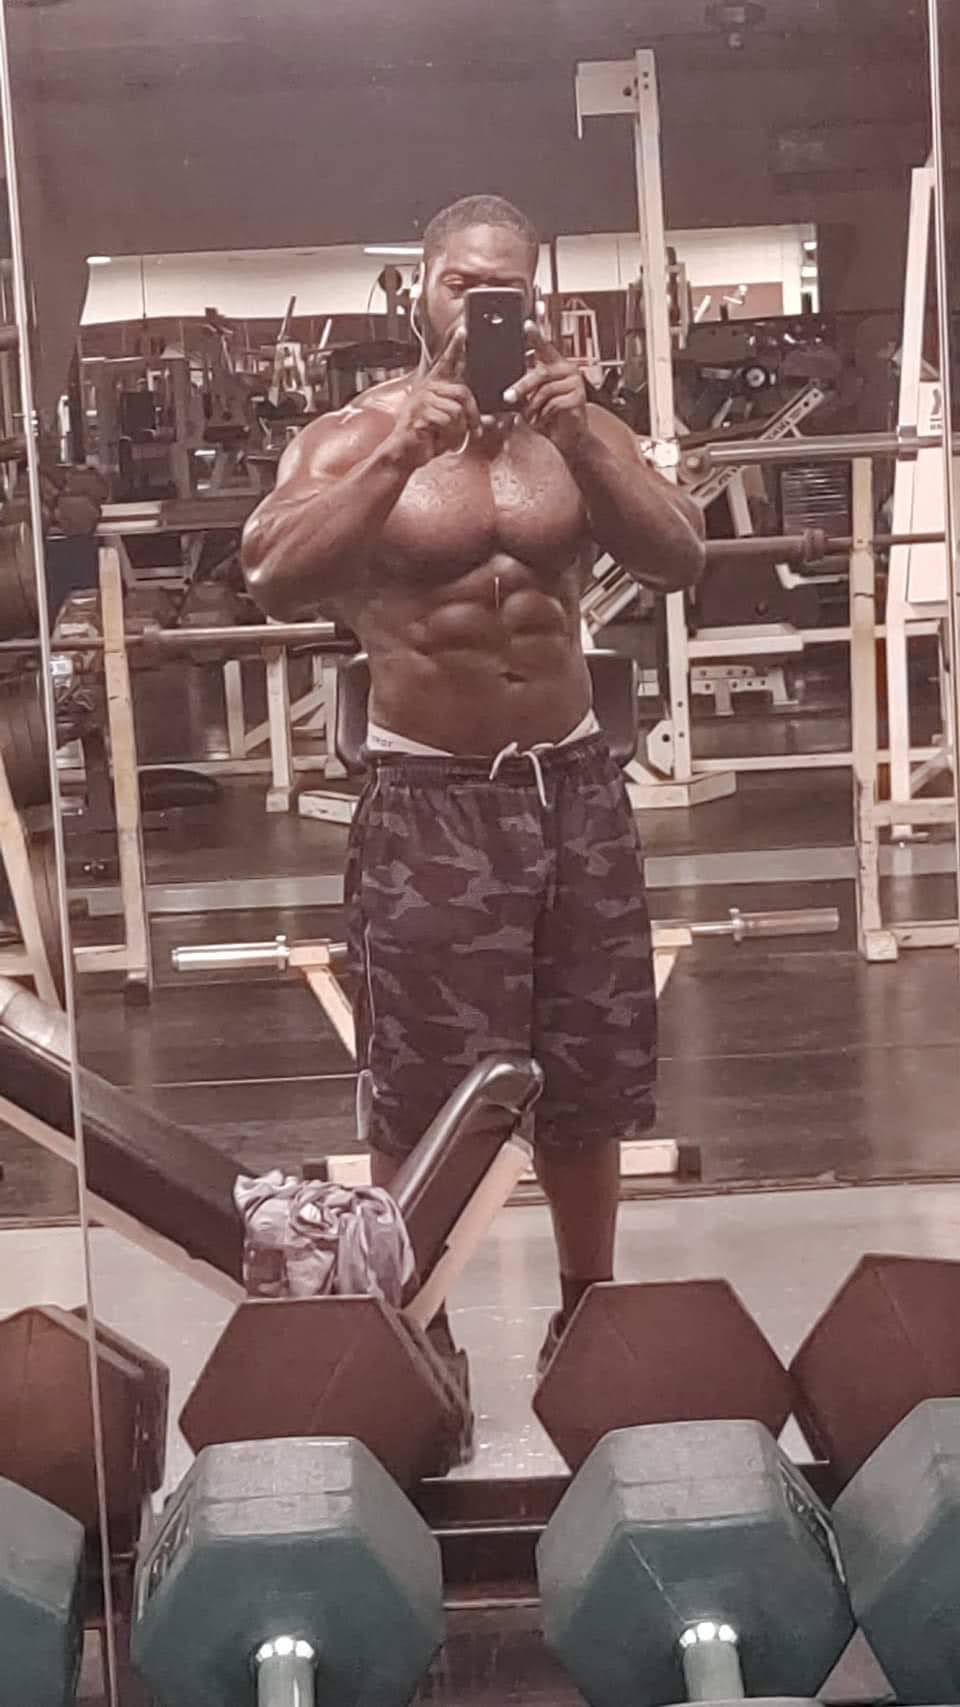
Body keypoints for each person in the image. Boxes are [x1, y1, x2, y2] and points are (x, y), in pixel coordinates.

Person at [242, 194, 705, 1451]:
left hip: (575, 791)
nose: (486, 305)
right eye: (463, 284)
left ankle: (588, 1312)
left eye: (508, 287)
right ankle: (420, 1333)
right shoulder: (358, 435)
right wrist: (403, 453)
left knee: (590, 1077)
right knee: (421, 1092)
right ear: (421, 291)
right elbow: (271, 569)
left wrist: (589, 437)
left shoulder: (576, 433)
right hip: (432, 805)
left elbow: (680, 558)